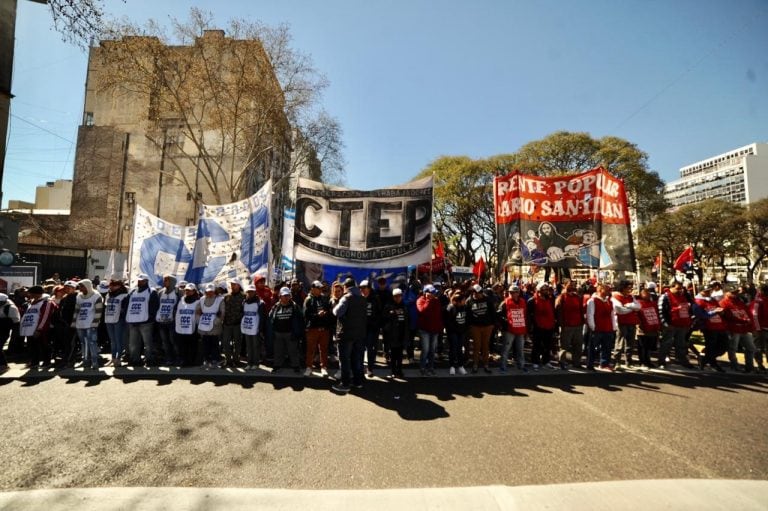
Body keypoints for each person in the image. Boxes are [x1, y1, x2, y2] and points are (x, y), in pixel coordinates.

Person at [332, 278, 367, 392]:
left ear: (346, 287)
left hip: (346, 334)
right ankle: (358, 382)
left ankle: (345, 384)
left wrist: (334, 307)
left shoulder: (346, 298)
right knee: (357, 359)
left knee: (345, 359)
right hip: (359, 334)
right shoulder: (362, 298)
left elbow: (337, 312)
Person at [657, 280, 694, 369]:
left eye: (681, 288)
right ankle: (661, 361)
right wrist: (665, 324)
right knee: (666, 344)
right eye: (677, 288)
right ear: (671, 287)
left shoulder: (684, 296)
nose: (680, 290)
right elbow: (661, 311)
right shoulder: (665, 297)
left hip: (682, 324)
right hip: (671, 325)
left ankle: (682, 360)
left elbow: (689, 309)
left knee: (681, 344)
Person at [126, 274, 160, 367]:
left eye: (141, 281)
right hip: (133, 321)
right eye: (138, 280)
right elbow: (126, 303)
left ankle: (149, 360)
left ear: (146, 281)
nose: (139, 282)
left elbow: (155, 306)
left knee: (148, 343)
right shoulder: (132, 291)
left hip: (146, 322)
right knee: (133, 343)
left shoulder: (151, 291)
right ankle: (135, 360)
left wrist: (150, 318)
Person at [19, 285, 57, 368]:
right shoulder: (31, 302)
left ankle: (47, 362)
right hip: (30, 329)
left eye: (31, 293)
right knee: (32, 346)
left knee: (44, 345)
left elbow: (45, 317)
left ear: (37, 294)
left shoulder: (46, 302)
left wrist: (39, 329)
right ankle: (34, 362)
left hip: (42, 329)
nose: (30, 295)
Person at [719, 287, 756, 373]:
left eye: (736, 292)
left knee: (751, 348)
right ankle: (734, 365)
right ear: (726, 293)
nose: (735, 294)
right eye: (732, 292)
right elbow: (724, 317)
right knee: (733, 348)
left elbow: (747, 313)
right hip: (733, 329)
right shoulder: (723, 303)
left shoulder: (740, 302)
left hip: (744, 328)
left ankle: (749, 366)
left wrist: (749, 324)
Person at [269, 287, 303, 374]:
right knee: (278, 351)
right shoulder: (276, 306)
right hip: (278, 333)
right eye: (284, 295)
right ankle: (277, 366)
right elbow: (270, 317)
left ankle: (296, 366)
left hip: (290, 333)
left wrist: (298, 332)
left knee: (293, 351)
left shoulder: (295, 306)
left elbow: (300, 319)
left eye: (288, 295)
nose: (286, 297)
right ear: (280, 296)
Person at [693, 285, 726, 372]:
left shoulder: (713, 300)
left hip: (720, 325)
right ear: (700, 292)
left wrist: (721, 312)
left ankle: (705, 359)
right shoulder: (698, 301)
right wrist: (714, 312)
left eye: (709, 291)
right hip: (709, 327)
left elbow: (719, 309)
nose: (708, 293)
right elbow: (701, 315)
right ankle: (711, 362)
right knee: (711, 346)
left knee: (724, 346)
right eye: (706, 291)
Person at [303, 280, 332, 376]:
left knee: (323, 349)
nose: (320, 290)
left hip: (324, 328)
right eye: (318, 288)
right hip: (312, 328)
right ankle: (309, 367)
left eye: (321, 288)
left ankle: (324, 367)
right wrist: (317, 315)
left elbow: (328, 311)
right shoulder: (308, 299)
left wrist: (325, 314)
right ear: (312, 289)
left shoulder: (324, 298)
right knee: (311, 349)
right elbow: (306, 315)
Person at [73, 279, 104, 370]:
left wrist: (95, 323)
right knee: (83, 343)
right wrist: (74, 322)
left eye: (82, 286)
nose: (80, 288)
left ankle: (94, 362)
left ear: (87, 286)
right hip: (80, 323)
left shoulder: (96, 296)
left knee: (92, 343)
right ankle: (85, 361)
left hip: (91, 324)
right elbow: (76, 310)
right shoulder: (79, 296)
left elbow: (99, 311)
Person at [586, 282, 616, 371]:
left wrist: (613, 327)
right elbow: (590, 315)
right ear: (600, 290)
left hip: (607, 328)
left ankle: (604, 363)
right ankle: (590, 364)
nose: (608, 291)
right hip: (597, 328)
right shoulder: (593, 301)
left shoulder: (608, 301)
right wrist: (593, 327)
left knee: (607, 347)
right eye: (606, 289)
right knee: (593, 347)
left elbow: (612, 315)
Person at [611, 280, 641, 369]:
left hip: (631, 322)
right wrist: (632, 308)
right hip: (621, 323)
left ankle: (629, 361)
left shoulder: (631, 297)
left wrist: (629, 306)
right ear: (622, 288)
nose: (630, 289)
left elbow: (639, 306)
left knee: (630, 344)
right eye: (628, 288)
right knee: (619, 343)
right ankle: (617, 362)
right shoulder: (615, 296)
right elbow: (619, 310)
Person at [555, 279, 585, 369]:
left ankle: (576, 362)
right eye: (570, 285)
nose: (573, 286)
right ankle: (562, 362)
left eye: (574, 285)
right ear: (565, 285)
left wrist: (582, 322)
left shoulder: (577, 297)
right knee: (564, 345)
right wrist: (561, 325)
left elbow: (581, 310)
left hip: (578, 325)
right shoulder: (561, 297)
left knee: (578, 345)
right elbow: (558, 311)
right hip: (567, 326)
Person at [527, 282, 557, 370]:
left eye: (547, 289)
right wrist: (530, 327)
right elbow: (529, 315)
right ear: (539, 290)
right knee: (537, 345)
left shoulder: (551, 299)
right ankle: (535, 362)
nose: (547, 291)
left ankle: (546, 361)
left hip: (549, 326)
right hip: (538, 326)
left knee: (547, 345)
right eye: (544, 289)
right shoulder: (532, 300)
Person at [497, 285, 528, 372]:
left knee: (520, 348)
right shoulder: (505, 303)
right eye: (512, 292)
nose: (514, 294)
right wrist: (505, 323)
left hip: (520, 329)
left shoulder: (523, 302)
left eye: (516, 292)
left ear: (519, 293)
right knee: (506, 348)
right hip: (509, 330)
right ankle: (503, 365)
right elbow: (498, 315)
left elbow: (525, 315)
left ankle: (521, 365)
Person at [466, 284, 495, 374]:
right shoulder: (469, 300)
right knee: (476, 346)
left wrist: (492, 324)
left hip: (487, 327)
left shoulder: (488, 300)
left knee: (485, 346)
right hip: (475, 327)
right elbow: (467, 314)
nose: (474, 294)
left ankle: (486, 365)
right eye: (472, 292)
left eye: (476, 292)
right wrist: (470, 325)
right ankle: (475, 365)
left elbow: (493, 312)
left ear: (481, 292)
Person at [381, 288, 409, 378]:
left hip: (401, 333)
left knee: (400, 355)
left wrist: (406, 334)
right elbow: (383, 318)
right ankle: (393, 371)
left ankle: (399, 370)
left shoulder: (405, 306)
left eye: (399, 296)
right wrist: (391, 313)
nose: (398, 298)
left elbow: (407, 320)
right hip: (392, 334)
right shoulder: (388, 306)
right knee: (393, 354)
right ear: (393, 297)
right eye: (396, 296)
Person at [416, 284, 443, 376]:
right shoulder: (420, 300)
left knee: (432, 350)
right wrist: (428, 300)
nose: (433, 294)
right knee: (426, 350)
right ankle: (423, 367)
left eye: (433, 293)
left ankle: (431, 367)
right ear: (425, 293)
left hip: (435, 329)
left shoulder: (436, 301)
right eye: (430, 292)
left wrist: (439, 326)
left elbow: (438, 314)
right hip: (424, 330)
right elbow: (422, 311)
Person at [196, 283, 225, 369]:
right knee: (205, 344)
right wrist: (199, 321)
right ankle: (206, 360)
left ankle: (215, 360)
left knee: (214, 344)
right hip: (204, 325)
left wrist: (216, 322)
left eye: (211, 292)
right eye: (207, 292)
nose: (209, 293)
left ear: (214, 291)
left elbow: (222, 312)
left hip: (214, 327)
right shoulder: (201, 300)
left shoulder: (220, 300)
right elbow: (197, 311)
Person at [103, 276, 129, 367]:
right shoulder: (108, 295)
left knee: (118, 340)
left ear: (119, 286)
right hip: (109, 319)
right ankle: (113, 358)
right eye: (110, 285)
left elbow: (125, 309)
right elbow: (106, 306)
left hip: (119, 320)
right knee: (112, 340)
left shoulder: (124, 295)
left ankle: (118, 358)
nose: (111, 287)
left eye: (114, 285)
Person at [156, 275, 181, 366]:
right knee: (165, 341)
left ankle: (178, 358)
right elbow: (158, 305)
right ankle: (169, 358)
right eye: (164, 280)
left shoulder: (178, 292)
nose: (165, 282)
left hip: (172, 321)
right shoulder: (161, 292)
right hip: (162, 321)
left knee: (173, 341)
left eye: (167, 280)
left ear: (172, 281)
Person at [359, 280, 382, 376]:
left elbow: (379, 313)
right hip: (361, 328)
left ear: (369, 288)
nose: (362, 290)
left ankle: (370, 368)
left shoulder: (375, 298)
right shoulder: (359, 298)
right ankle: (360, 368)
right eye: (361, 288)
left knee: (370, 349)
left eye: (364, 288)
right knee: (360, 348)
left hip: (372, 328)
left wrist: (376, 325)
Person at [221, 277, 246, 367]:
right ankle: (228, 360)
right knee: (225, 342)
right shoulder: (226, 297)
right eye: (232, 284)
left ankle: (236, 359)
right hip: (227, 324)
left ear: (239, 286)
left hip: (237, 324)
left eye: (234, 284)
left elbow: (245, 310)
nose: (232, 286)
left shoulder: (244, 296)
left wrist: (240, 318)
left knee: (238, 343)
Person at [174, 283, 200, 366]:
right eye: (186, 290)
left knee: (192, 345)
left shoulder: (198, 302)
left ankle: (191, 361)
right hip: (181, 327)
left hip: (192, 327)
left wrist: (197, 327)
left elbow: (199, 316)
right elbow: (177, 313)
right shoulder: (181, 300)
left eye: (189, 290)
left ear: (194, 291)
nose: (187, 292)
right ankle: (183, 360)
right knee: (182, 345)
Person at [636, 286, 661, 369]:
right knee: (643, 346)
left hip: (652, 328)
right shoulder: (638, 303)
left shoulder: (653, 304)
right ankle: (642, 361)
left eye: (648, 294)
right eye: (645, 294)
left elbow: (657, 314)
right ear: (640, 294)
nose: (648, 295)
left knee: (649, 347)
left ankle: (648, 361)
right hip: (642, 330)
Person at [445, 291, 468, 375]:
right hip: (453, 332)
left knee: (460, 349)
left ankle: (460, 366)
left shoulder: (465, 307)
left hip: (461, 332)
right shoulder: (450, 308)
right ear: (458, 301)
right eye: (463, 300)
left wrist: (464, 329)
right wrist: (453, 330)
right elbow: (447, 322)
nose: (464, 301)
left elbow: (467, 319)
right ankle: (452, 366)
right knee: (453, 349)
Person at [241, 284, 263, 370]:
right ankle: (249, 363)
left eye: (251, 292)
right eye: (248, 292)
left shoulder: (259, 303)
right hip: (247, 326)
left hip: (255, 328)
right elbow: (242, 314)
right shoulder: (244, 302)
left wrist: (260, 328)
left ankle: (256, 363)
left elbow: (262, 317)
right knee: (248, 346)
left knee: (255, 346)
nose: (249, 293)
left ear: (255, 292)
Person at [0, 294, 21, 372]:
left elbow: (16, 322)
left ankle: (3, 365)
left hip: (4, 329)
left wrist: (15, 335)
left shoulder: (11, 308)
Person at [752, 284, 768, 373]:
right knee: (759, 347)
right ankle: (759, 364)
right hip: (760, 329)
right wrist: (758, 328)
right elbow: (755, 315)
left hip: (765, 328)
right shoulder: (758, 301)